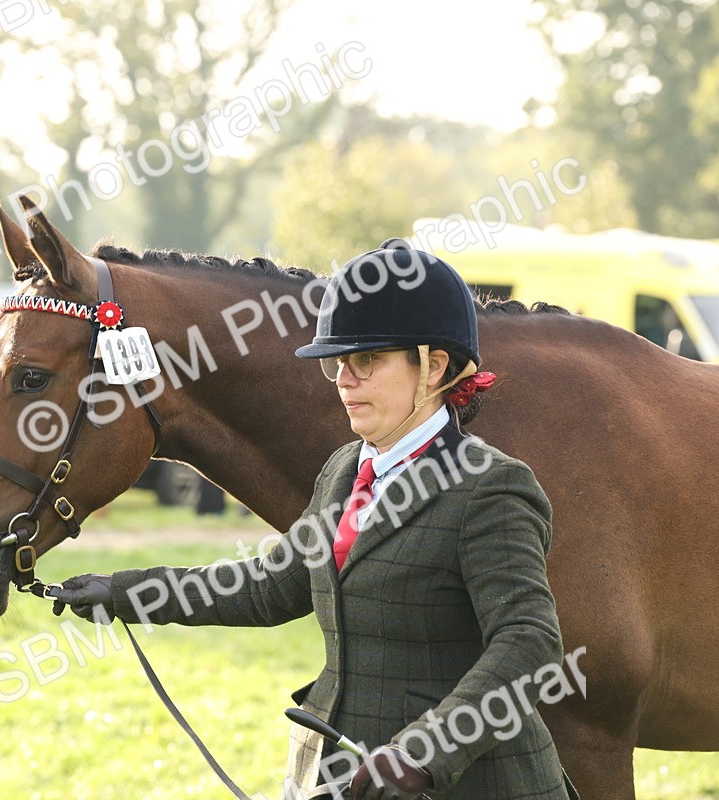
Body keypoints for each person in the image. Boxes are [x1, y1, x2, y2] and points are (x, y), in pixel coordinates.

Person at [53, 241, 577, 799]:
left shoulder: (490, 486)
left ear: (434, 367)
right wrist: (124, 592)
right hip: (333, 768)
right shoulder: (344, 469)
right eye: (338, 363)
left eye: (366, 361)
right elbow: (269, 587)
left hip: (464, 783)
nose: (344, 381)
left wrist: (422, 753)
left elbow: (528, 643)